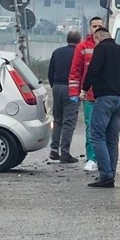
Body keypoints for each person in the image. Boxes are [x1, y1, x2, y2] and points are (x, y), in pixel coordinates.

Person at [82, 28, 120, 188]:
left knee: (97, 136)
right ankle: (110, 174)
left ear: (98, 37)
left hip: (105, 98)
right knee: (112, 139)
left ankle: (105, 175)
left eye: (95, 40)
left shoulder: (101, 49)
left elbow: (93, 69)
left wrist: (85, 89)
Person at [68, 16, 105, 171]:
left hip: (104, 95)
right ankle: (91, 158)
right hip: (88, 95)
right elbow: (75, 71)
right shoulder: (82, 47)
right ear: (89, 28)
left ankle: (103, 158)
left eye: (99, 26)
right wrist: (74, 92)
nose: (97, 28)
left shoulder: (108, 46)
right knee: (91, 127)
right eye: (94, 26)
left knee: (103, 128)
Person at [47, 30, 81, 163]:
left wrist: (54, 85)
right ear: (79, 41)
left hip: (57, 87)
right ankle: (65, 153)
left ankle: (54, 150)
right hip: (71, 89)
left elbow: (50, 72)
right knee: (69, 121)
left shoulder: (57, 52)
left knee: (57, 120)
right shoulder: (78, 53)